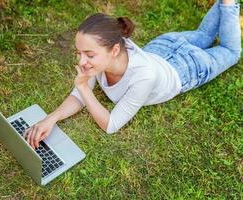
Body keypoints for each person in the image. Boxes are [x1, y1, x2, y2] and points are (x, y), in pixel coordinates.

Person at [24, 0, 241, 149]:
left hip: (189, 67)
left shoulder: (142, 77)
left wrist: (83, 86)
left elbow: (110, 125)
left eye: (89, 54)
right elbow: (79, 98)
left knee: (231, 52)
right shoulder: (107, 50)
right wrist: (49, 119)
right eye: (79, 53)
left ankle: (228, 3)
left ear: (115, 50)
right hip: (164, 46)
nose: (81, 62)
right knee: (203, 35)